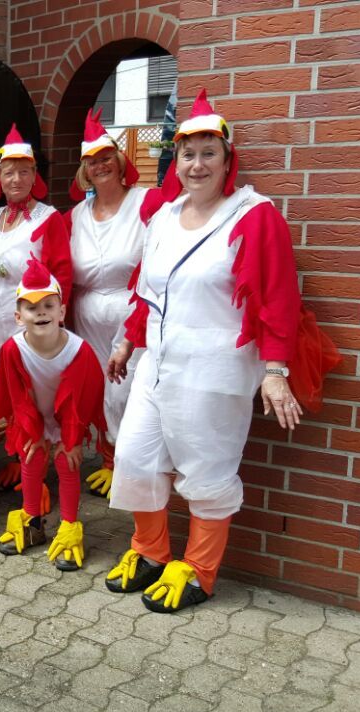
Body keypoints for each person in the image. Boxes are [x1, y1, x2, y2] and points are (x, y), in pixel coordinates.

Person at [105, 90, 331, 612]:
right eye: (188, 154)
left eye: (209, 153)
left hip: (214, 368)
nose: (197, 164)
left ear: (228, 160)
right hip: (156, 364)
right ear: (176, 161)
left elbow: (278, 298)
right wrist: (128, 341)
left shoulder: (254, 216)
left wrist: (275, 370)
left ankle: (200, 570)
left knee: (205, 468)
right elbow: (149, 289)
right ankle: (150, 551)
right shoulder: (164, 216)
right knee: (136, 457)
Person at [68, 110, 174, 498]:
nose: (100, 166)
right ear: (84, 171)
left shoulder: (148, 202)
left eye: (106, 158)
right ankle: (108, 460)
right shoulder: (75, 216)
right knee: (97, 390)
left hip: (133, 316)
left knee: (127, 391)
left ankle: (131, 466)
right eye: (92, 161)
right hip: (87, 319)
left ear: (120, 160)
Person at [0, 259, 105, 570]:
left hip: (67, 418)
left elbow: (82, 401)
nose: (41, 313)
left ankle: (70, 528)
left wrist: (71, 440)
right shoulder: (12, 350)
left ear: (62, 312)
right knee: (31, 456)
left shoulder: (80, 351)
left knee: (67, 461)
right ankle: (33, 523)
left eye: (49, 306)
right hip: (33, 413)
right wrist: (33, 433)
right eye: (32, 308)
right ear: (18, 317)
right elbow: (17, 396)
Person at [0, 124, 71, 492]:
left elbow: (62, 274)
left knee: (33, 393)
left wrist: (53, 324)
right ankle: (16, 456)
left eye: (24, 171)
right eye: (9, 172)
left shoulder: (49, 219)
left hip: (31, 323)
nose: (16, 179)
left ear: (35, 175)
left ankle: (35, 471)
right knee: (1, 389)